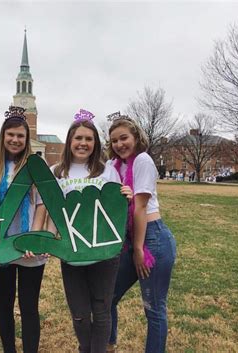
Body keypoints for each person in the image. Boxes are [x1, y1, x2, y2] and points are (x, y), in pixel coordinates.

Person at [49, 109, 129, 353]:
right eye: (78, 138)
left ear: (95, 143)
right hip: (72, 251)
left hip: (104, 251)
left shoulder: (107, 171)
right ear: (69, 141)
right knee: (80, 313)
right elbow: (51, 210)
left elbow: (116, 209)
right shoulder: (57, 172)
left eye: (88, 139)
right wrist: (52, 239)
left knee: (101, 309)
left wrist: (126, 195)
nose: (83, 143)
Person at [107, 114, 176, 353]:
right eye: (114, 140)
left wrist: (138, 249)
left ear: (136, 137)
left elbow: (140, 206)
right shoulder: (114, 166)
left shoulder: (143, 160)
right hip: (129, 239)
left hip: (152, 239)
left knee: (154, 308)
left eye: (124, 138)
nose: (119, 144)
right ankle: (109, 345)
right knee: (108, 297)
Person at [0, 106, 47, 353]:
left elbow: (44, 203)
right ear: (3, 136)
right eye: (11, 134)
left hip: (29, 249)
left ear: (27, 139)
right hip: (0, 246)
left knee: (29, 306)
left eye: (20, 136)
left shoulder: (37, 165)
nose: (15, 140)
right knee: (4, 304)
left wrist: (32, 238)